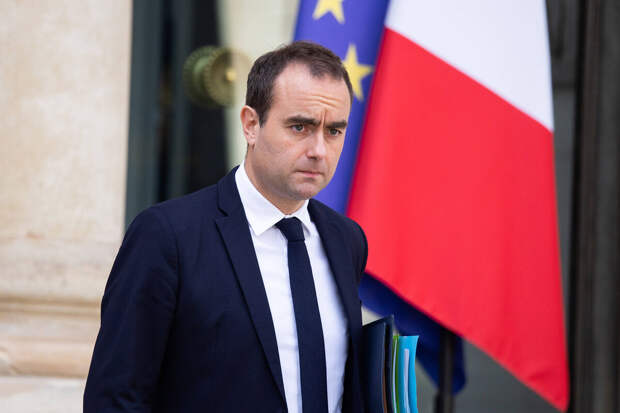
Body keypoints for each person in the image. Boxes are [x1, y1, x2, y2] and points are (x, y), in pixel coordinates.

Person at [84, 41, 367, 413]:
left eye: (334, 131)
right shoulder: (167, 236)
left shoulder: (346, 240)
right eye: (300, 126)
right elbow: (115, 399)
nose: (319, 150)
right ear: (250, 125)